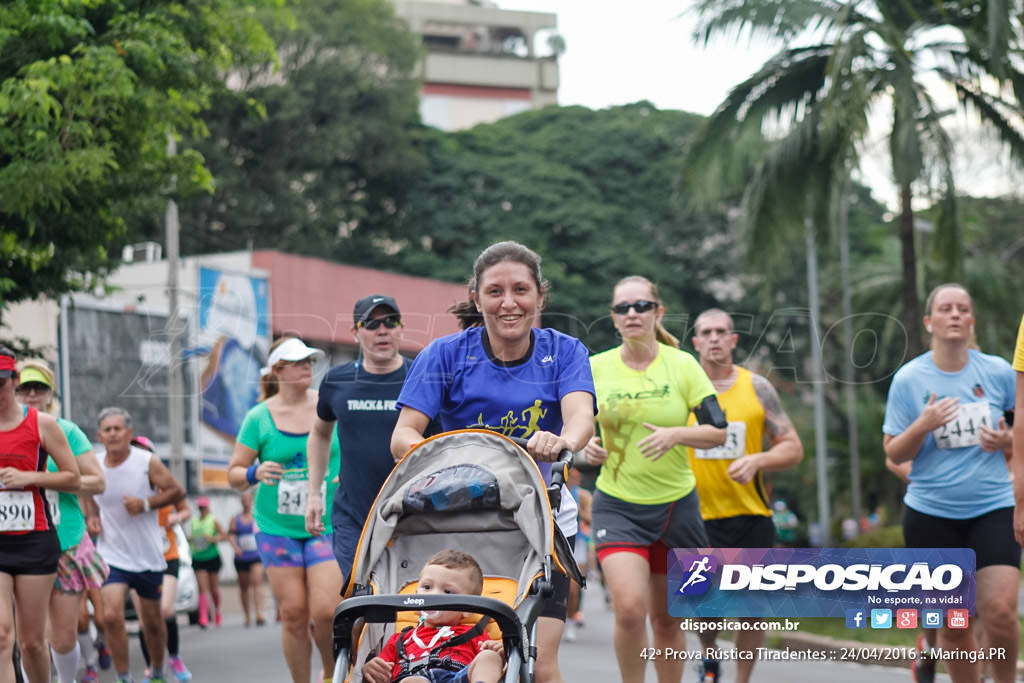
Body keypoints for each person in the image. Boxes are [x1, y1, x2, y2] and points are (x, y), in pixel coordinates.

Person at [392, 241, 597, 683]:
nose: (509, 303)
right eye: (495, 291)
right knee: (447, 650)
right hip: (458, 519)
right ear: (476, 296)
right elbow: (403, 436)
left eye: (521, 290)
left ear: (541, 296)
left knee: (540, 661)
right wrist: (447, 451)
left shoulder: (565, 351)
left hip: (542, 520)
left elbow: (582, 417)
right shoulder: (443, 354)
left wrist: (562, 440)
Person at [584, 276, 726, 683]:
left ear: (657, 312)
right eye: (622, 308)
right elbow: (574, 431)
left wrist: (676, 434)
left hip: (675, 507)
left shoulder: (683, 365)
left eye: (641, 306)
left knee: (667, 619)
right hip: (618, 502)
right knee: (630, 609)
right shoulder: (596, 368)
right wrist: (585, 449)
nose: (632, 314)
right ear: (613, 318)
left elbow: (718, 429)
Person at [883, 283, 1017, 683]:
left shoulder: (997, 372)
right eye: (946, 308)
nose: (955, 314)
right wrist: (923, 425)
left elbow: (1022, 426)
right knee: (956, 624)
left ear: (972, 320)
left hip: (993, 506)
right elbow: (894, 453)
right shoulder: (909, 380)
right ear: (930, 322)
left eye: (963, 309)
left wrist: (1009, 439)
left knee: (1000, 611)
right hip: (931, 515)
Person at [685, 308, 804, 683]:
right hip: (695, 515)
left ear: (734, 340)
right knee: (705, 607)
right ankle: (709, 657)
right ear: (696, 342)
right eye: (707, 332)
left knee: (751, 605)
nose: (715, 338)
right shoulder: (684, 390)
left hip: (750, 514)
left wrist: (758, 459)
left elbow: (793, 446)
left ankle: (742, 679)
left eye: (722, 331)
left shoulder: (757, 388)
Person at [227, 336, 342, 683]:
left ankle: (331, 674)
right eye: (297, 362)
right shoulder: (258, 417)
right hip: (276, 526)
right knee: (293, 614)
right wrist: (254, 472)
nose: (307, 367)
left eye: (309, 361)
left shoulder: (329, 403)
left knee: (325, 611)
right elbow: (234, 473)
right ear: (278, 371)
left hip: (326, 522)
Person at [304, 294, 416, 585]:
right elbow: (319, 432)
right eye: (371, 323)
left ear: (401, 328)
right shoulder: (336, 381)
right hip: (353, 517)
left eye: (390, 322)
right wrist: (314, 494)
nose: (382, 330)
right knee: (361, 604)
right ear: (355, 332)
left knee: (410, 605)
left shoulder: (420, 376)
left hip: (414, 517)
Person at [12, 360, 108, 683]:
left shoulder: (64, 431)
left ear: (49, 392)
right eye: (25, 387)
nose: (31, 394)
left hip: (65, 539)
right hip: (20, 541)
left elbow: (97, 481)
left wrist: (44, 479)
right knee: (30, 638)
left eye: (38, 388)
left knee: (63, 638)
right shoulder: (6, 431)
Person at [0, 346, 81, 683]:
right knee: (2, 635)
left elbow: (73, 477)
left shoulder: (43, 424)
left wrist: (28, 477)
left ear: (14, 382)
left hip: (35, 538)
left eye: (1, 383)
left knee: (32, 642)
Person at [89, 407, 185, 683]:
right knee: (110, 617)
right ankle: (123, 677)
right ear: (100, 435)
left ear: (129, 433)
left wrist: (145, 504)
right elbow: (85, 493)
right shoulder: (94, 464)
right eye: (107, 430)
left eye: (118, 428)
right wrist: (92, 516)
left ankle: (157, 672)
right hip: (111, 554)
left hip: (148, 555)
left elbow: (176, 491)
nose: (113, 434)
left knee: (153, 623)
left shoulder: (147, 462)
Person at [361, 550, 504, 683]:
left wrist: (499, 653)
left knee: (489, 657)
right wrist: (372, 670)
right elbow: (382, 672)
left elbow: (492, 663)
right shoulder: (400, 640)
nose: (433, 596)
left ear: (467, 608)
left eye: (448, 591)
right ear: (415, 597)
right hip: (414, 677)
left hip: (458, 677)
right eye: (427, 587)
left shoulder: (473, 634)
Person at [128, 437, 192, 682]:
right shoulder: (127, 490)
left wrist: (179, 518)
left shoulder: (166, 486)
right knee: (145, 617)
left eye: (145, 452)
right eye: (135, 452)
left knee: (165, 610)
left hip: (167, 556)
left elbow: (185, 508)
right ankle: (152, 667)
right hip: (139, 558)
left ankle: (174, 657)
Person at [229, 489, 265, 627]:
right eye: (243, 499)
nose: (246, 502)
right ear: (241, 501)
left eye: (248, 499)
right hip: (241, 557)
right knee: (244, 587)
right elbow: (231, 535)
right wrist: (235, 547)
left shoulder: (257, 516)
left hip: (256, 556)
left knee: (257, 583)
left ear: (251, 500)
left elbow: (264, 532)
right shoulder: (235, 519)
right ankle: (247, 615)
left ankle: (259, 613)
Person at [189, 496, 226, 628]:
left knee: (213, 588)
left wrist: (212, 538)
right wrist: (190, 539)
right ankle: (203, 616)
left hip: (212, 557)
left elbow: (224, 536)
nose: (202, 509)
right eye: (200, 507)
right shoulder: (194, 521)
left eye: (204, 507)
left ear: (208, 507)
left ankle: (217, 611)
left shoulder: (213, 521)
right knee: (202, 588)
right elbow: (192, 538)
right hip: (198, 557)